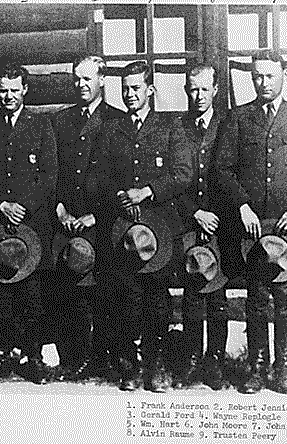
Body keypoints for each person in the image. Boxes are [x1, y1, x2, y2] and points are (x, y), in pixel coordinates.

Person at [216, 50, 287, 394]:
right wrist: (241, 205)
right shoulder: (239, 119)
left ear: (283, 75)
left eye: (270, 76)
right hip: (253, 230)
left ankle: (283, 369)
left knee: (284, 299)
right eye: (257, 77)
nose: (263, 83)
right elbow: (222, 169)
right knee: (256, 297)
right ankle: (256, 366)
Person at [100, 61, 192, 392]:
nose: (129, 95)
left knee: (157, 299)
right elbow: (100, 176)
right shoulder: (112, 130)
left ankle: (155, 364)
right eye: (125, 89)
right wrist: (118, 194)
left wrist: (149, 191)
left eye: (136, 88)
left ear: (150, 90)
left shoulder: (170, 127)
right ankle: (128, 364)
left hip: (162, 231)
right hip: (124, 229)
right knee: (127, 297)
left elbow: (183, 172)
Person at [0, 62, 58, 384]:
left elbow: (49, 174)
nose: (9, 96)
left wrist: (24, 205)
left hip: (32, 224)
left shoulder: (40, 125)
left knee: (32, 296)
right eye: (3, 90)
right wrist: (1, 204)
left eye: (14, 90)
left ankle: (33, 357)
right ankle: (1, 357)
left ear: (25, 90)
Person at [52, 55, 125, 377]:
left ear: (102, 80)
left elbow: (125, 176)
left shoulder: (118, 120)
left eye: (87, 79)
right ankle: (73, 357)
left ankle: (104, 356)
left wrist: (98, 216)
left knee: (104, 292)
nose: (81, 85)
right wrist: (60, 209)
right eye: (77, 79)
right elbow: (51, 170)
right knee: (69, 289)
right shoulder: (61, 121)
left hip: (104, 220)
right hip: (68, 219)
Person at [175, 64, 231, 390]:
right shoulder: (178, 127)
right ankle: (192, 357)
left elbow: (231, 175)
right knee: (192, 290)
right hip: (189, 221)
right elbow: (174, 180)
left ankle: (216, 360)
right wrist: (195, 213)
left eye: (204, 89)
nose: (198, 96)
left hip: (221, 224)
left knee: (217, 292)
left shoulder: (227, 124)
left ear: (215, 91)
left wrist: (215, 216)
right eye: (192, 89)